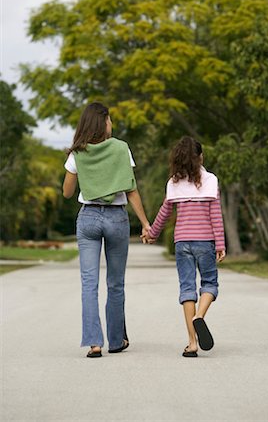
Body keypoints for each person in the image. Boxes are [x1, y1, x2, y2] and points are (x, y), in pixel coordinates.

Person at [63, 102, 150, 358]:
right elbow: (131, 189)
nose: (112, 123)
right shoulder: (121, 148)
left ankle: (94, 343)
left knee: (89, 284)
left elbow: (67, 193)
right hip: (116, 219)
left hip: (88, 218)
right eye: (110, 119)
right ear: (103, 122)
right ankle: (116, 341)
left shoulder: (77, 153)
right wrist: (145, 223)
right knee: (116, 284)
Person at [143, 136, 226, 357]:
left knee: (187, 289)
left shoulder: (173, 183)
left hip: (182, 243)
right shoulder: (211, 180)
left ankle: (191, 344)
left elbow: (164, 212)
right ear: (199, 157)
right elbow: (215, 215)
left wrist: (152, 233)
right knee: (209, 283)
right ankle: (200, 317)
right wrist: (220, 244)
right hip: (205, 241)